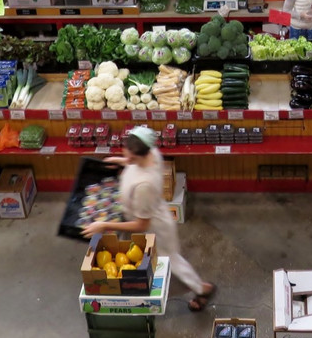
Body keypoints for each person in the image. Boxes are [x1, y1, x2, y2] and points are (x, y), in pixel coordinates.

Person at [83, 127, 216, 312]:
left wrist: (104, 225)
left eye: (130, 156)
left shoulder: (145, 185)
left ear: (140, 154)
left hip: (154, 230)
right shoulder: (151, 152)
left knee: (168, 264)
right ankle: (194, 287)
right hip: (151, 217)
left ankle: (202, 289)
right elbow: (136, 165)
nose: (126, 156)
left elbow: (141, 223)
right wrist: (123, 163)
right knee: (163, 263)